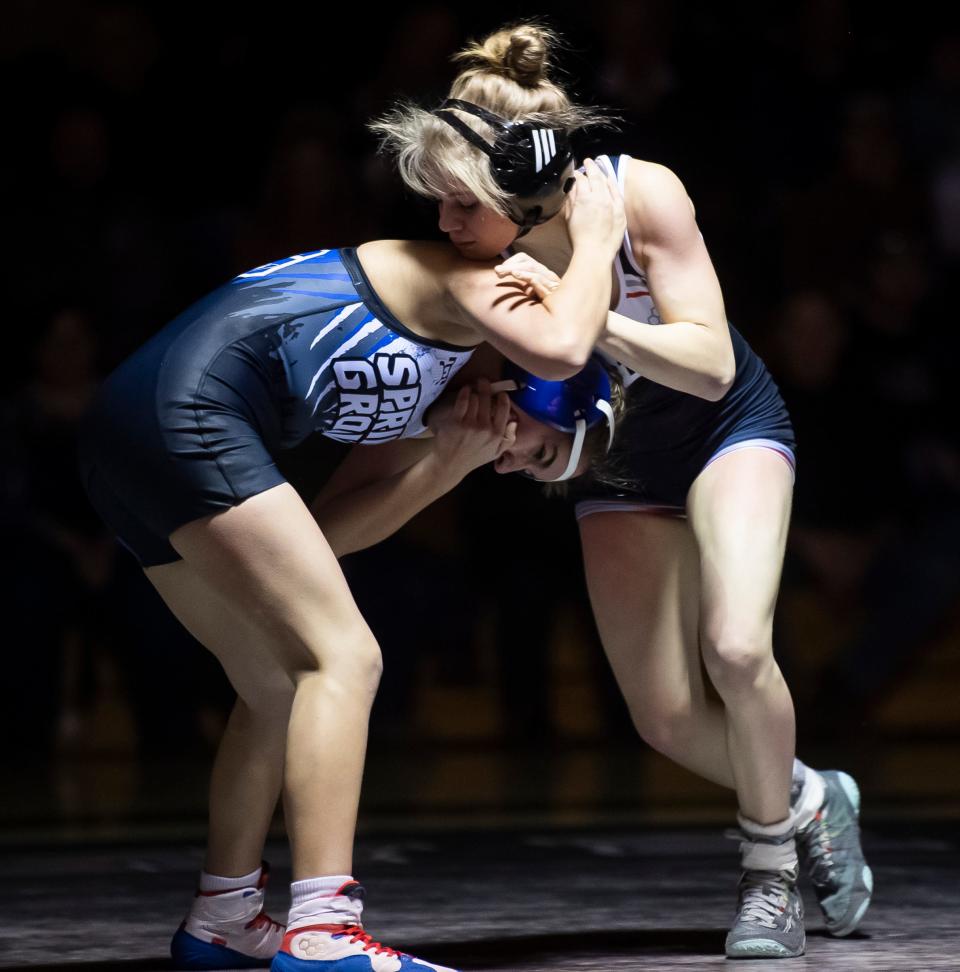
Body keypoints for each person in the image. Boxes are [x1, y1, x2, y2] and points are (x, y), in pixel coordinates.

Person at [369, 21, 873, 959]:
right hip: (625, 458)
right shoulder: (479, 264)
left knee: (735, 644)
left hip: (726, 427)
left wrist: (587, 314)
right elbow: (570, 431)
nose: (441, 224)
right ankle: (807, 794)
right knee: (663, 716)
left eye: (455, 204)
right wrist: (531, 449)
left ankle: (769, 877)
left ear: (514, 189)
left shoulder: (641, 193)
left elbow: (712, 363)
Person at [77, 163, 627, 972]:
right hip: (185, 411)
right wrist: (604, 236)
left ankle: (223, 915)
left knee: (276, 676)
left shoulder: (439, 395)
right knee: (347, 656)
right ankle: (325, 928)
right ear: (542, 391)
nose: (512, 464)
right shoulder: (486, 287)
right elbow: (569, 340)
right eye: (536, 451)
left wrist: (445, 467)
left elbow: (318, 535)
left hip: (130, 433)